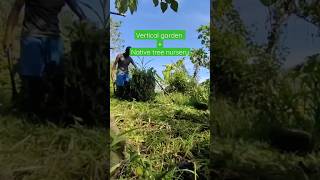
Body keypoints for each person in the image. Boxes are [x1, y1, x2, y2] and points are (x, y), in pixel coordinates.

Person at [2, 0, 87, 118]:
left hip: (53, 36)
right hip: (31, 36)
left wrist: (87, 26)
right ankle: (32, 112)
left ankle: (54, 111)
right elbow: (16, 8)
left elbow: (80, 13)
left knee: (58, 75)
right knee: (33, 77)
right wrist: (8, 36)